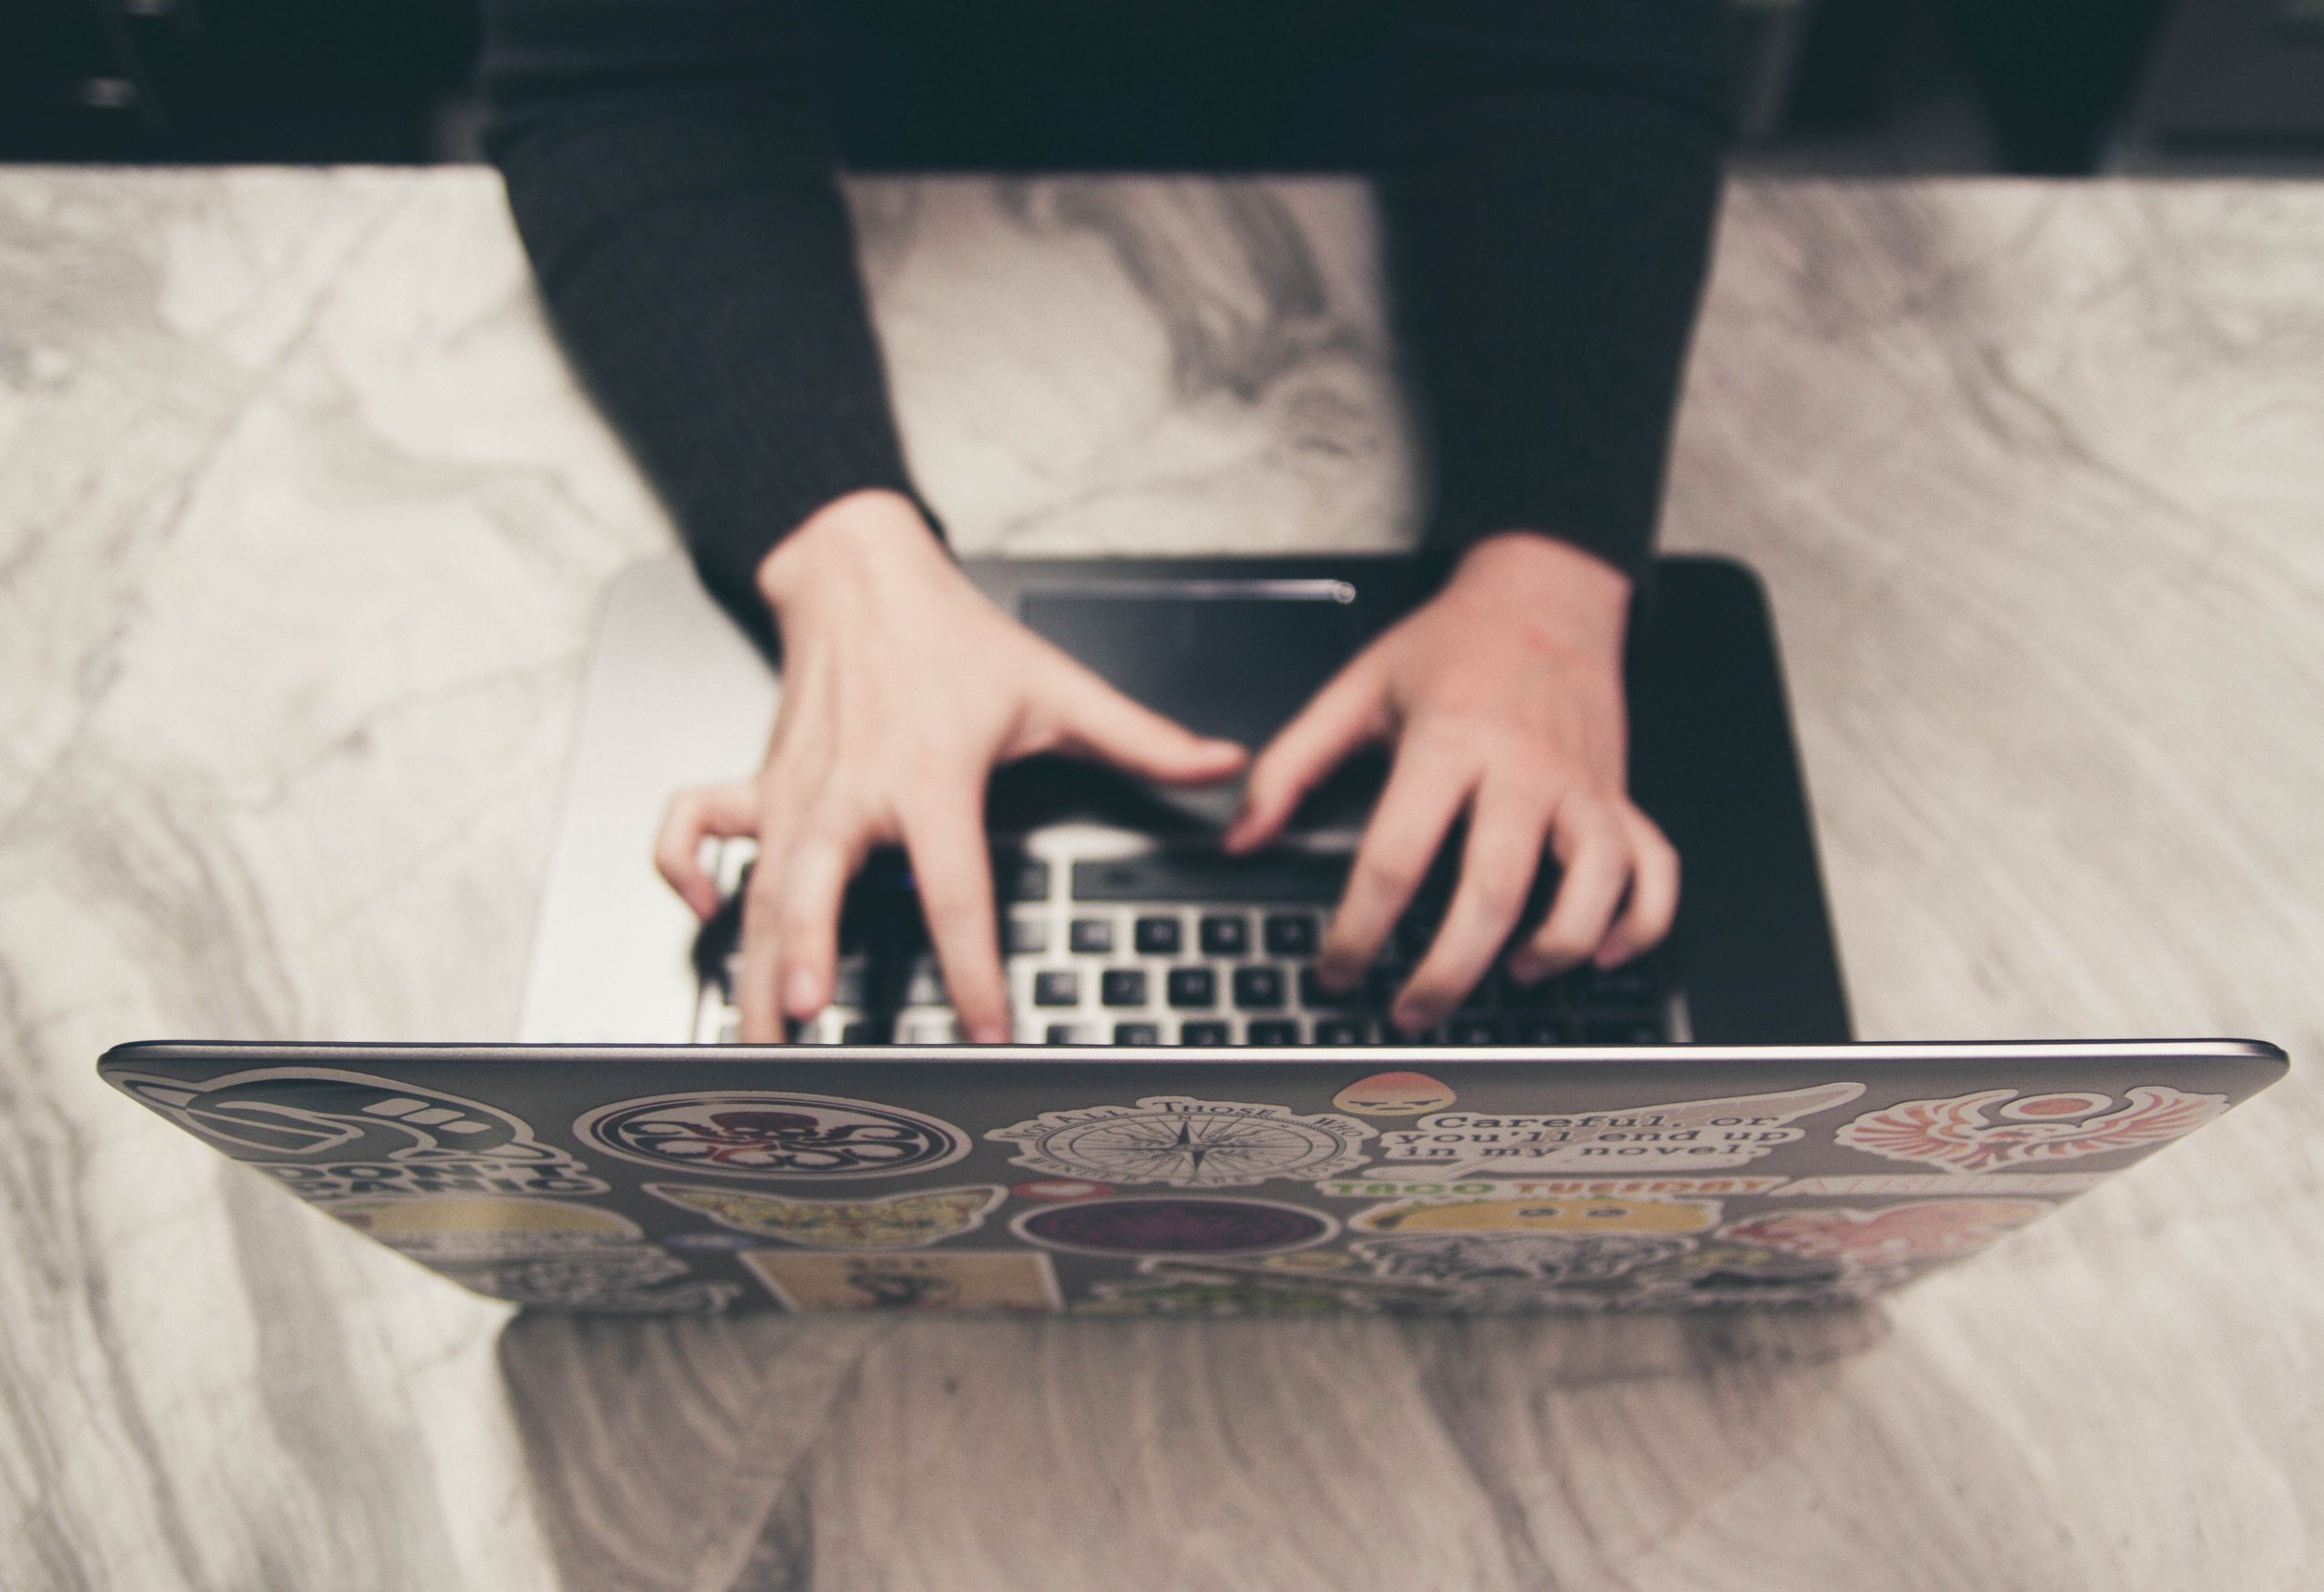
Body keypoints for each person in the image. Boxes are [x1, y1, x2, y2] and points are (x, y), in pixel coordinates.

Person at [480, 0, 1734, 1044]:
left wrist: (1550, 569)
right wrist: (840, 559)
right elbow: (626, 74)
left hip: (1412, 132)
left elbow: (1593, 47)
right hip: (836, 143)